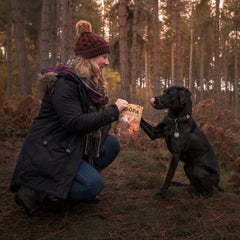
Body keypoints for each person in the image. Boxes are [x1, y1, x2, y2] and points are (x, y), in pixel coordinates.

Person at [10, 20, 128, 216]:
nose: (107, 62)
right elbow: (75, 123)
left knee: (111, 145)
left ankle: (72, 181)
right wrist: (113, 110)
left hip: (70, 143)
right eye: (104, 57)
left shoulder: (87, 83)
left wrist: (118, 113)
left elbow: (89, 117)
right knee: (92, 185)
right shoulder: (66, 83)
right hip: (51, 149)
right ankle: (33, 192)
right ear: (89, 58)